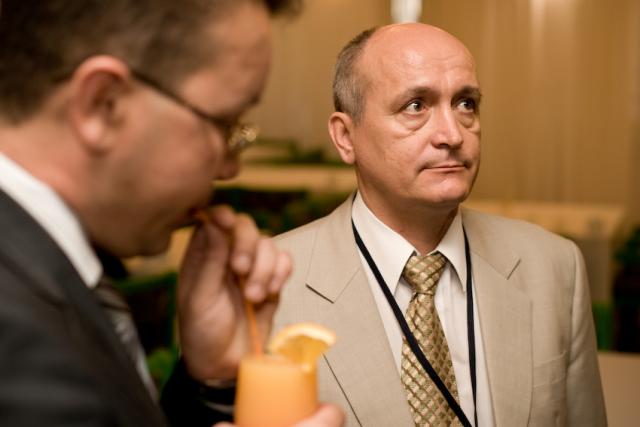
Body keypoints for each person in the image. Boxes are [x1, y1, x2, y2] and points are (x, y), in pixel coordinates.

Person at [0, 1, 344, 426]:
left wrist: (212, 382)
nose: (230, 169)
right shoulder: (17, 337)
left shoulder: (49, 270)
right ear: (103, 104)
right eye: (225, 124)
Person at [273, 23, 607, 426]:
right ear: (346, 137)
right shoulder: (270, 287)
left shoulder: (554, 266)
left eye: (466, 104)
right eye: (416, 105)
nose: (452, 135)